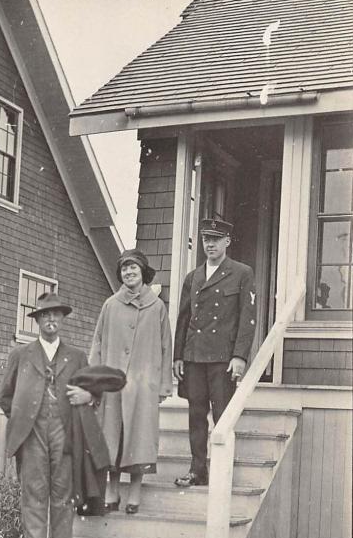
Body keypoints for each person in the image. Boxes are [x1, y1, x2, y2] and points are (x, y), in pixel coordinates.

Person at [0, 292, 94, 538]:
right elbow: (5, 396)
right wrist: (24, 419)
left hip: (64, 432)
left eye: (56, 314)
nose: (51, 319)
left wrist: (86, 397)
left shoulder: (77, 357)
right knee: (34, 492)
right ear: (37, 320)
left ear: (62, 318)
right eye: (45, 315)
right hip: (32, 433)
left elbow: (90, 394)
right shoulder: (21, 354)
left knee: (63, 493)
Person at [173, 219, 257, 487]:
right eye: (206, 239)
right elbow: (183, 319)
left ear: (227, 242)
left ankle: (222, 471)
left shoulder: (242, 273)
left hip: (223, 358)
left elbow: (247, 317)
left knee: (222, 414)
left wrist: (240, 356)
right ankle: (197, 470)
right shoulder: (193, 277)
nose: (210, 244)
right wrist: (178, 356)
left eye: (216, 239)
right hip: (194, 357)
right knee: (196, 414)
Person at [90, 249, 173, 514]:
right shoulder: (110, 305)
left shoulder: (157, 307)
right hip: (112, 383)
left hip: (143, 385)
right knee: (112, 437)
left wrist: (162, 385)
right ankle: (112, 492)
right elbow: (98, 343)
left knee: (140, 438)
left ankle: (135, 492)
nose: (128, 273)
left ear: (143, 272)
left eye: (133, 268)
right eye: (124, 269)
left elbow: (165, 347)